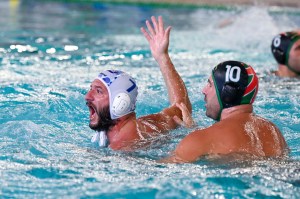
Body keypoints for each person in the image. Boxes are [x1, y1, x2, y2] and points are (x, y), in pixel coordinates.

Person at [85, 16, 191, 151]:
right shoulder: (149, 124)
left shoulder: (124, 149)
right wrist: (162, 57)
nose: (87, 96)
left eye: (98, 91)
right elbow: (182, 107)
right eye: (91, 89)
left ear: (120, 103)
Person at [160, 60, 288, 163]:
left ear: (227, 93)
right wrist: (193, 130)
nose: (204, 90)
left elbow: (161, 171)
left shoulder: (199, 140)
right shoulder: (274, 132)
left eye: (210, 85)